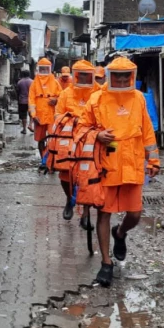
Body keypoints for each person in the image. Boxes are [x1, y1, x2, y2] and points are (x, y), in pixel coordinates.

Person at [80, 57, 160, 287]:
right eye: (118, 77)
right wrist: (97, 135)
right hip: (105, 164)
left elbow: (147, 132)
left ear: (132, 77)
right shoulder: (96, 98)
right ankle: (106, 263)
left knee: (134, 214)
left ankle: (120, 233)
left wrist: (153, 160)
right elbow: (81, 128)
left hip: (132, 163)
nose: (123, 81)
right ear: (110, 76)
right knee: (103, 214)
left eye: (126, 77)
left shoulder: (139, 98)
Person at [55, 60, 98, 220]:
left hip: (91, 141)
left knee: (88, 174)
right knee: (65, 175)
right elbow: (57, 115)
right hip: (69, 140)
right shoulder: (66, 93)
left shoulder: (99, 92)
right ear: (76, 75)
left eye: (87, 75)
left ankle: (86, 212)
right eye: (81, 75)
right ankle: (69, 199)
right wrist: (73, 120)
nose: (84, 78)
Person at [29, 58, 62, 165]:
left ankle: (50, 161)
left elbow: (62, 97)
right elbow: (31, 100)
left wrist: (56, 100)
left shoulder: (55, 82)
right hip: (39, 116)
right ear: (38, 69)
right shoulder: (34, 84)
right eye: (41, 69)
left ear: (50, 69)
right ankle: (43, 160)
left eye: (45, 69)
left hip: (52, 115)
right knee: (40, 139)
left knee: (53, 139)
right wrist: (33, 115)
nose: (43, 71)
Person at [15, 70, 33, 134]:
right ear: (29, 74)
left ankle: (24, 129)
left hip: (22, 101)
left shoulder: (19, 82)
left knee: (23, 115)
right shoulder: (32, 82)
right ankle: (30, 125)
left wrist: (18, 100)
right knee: (32, 114)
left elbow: (17, 92)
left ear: (22, 75)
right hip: (31, 101)